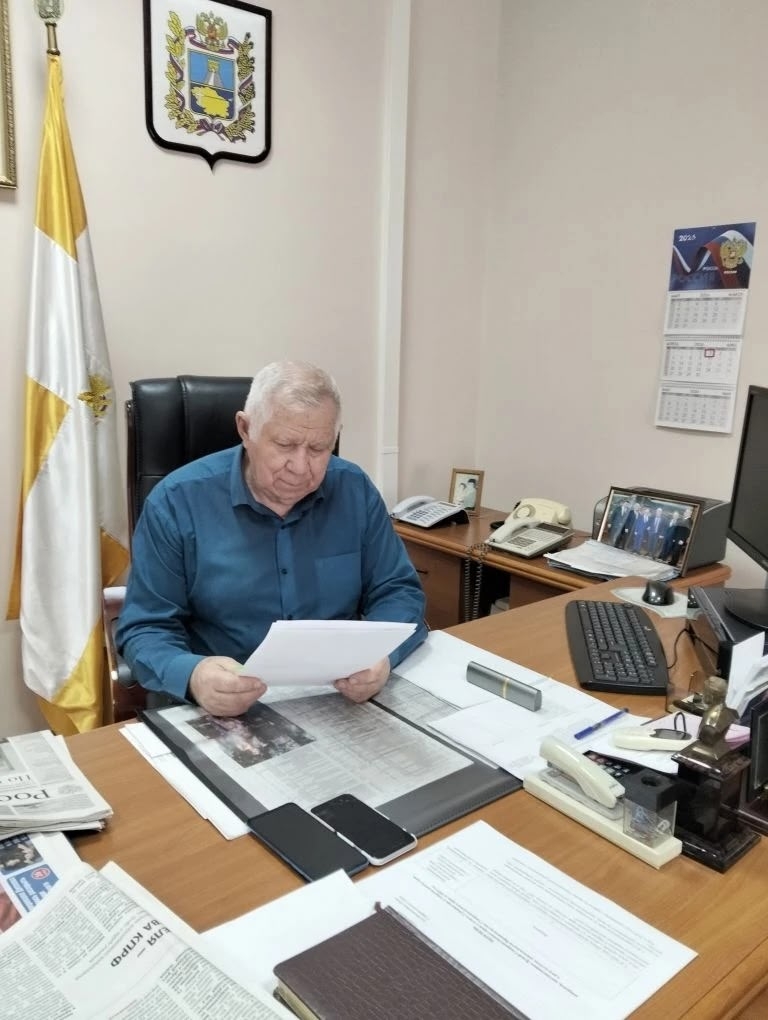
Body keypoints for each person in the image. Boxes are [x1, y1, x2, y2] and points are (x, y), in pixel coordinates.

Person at [116, 361, 427, 717]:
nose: (301, 466)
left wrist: (381, 657)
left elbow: (397, 591)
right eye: (285, 444)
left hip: (336, 697)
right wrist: (193, 675)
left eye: (318, 448)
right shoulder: (176, 502)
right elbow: (146, 628)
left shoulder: (354, 490)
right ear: (245, 429)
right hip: (223, 706)